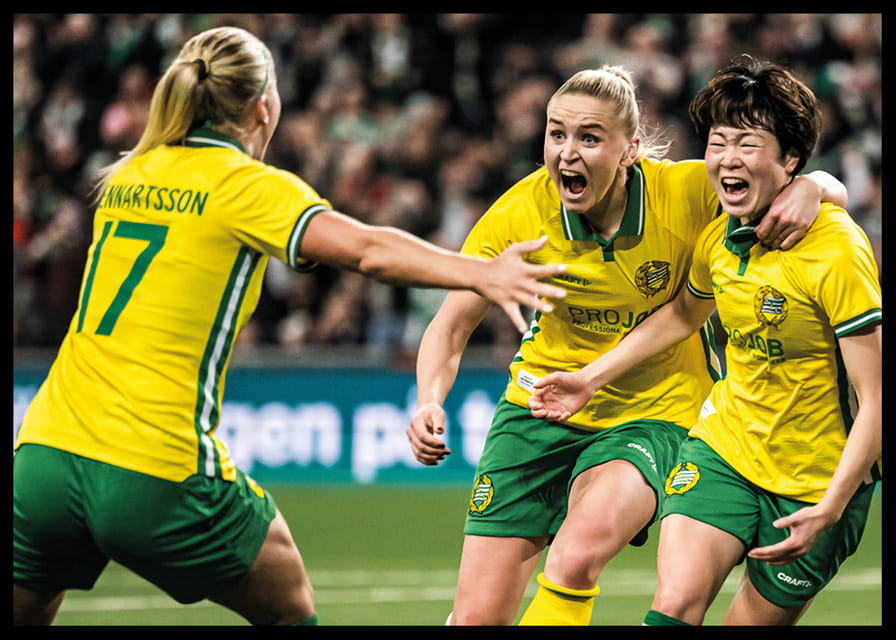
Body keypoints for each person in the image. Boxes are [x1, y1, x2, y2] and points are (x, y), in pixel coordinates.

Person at [11, 26, 571, 627]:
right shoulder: (244, 186)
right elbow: (365, 250)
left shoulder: (130, 175)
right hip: (153, 467)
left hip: (43, 455)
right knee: (291, 607)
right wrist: (478, 272)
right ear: (263, 105)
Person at [406, 64, 849, 625]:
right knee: (475, 618)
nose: (567, 152)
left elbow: (800, 182)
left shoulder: (686, 191)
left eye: (589, 137)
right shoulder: (520, 214)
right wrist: (428, 400)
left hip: (655, 411)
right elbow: (451, 324)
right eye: (556, 133)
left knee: (575, 556)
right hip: (538, 406)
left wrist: (814, 186)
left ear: (630, 150)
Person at [527, 56, 881, 626]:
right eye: (718, 142)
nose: (726, 159)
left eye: (748, 144)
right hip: (724, 452)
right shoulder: (719, 236)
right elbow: (681, 315)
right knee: (671, 608)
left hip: (817, 484)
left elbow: (877, 396)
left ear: (790, 158)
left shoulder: (837, 251)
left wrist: (833, 506)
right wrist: (589, 378)